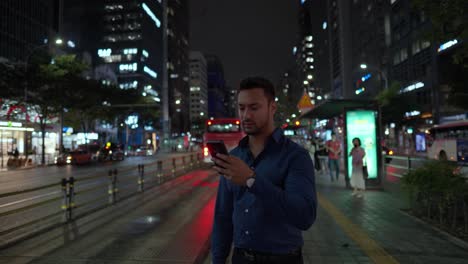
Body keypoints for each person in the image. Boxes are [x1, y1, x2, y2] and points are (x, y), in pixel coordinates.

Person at [211, 77, 317, 264]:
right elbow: (222, 216)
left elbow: (305, 216)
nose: (246, 115)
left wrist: (252, 180)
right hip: (241, 258)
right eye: (241, 108)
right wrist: (218, 260)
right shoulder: (235, 156)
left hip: (283, 259)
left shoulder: (295, 156)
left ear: (272, 108)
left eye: (254, 107)